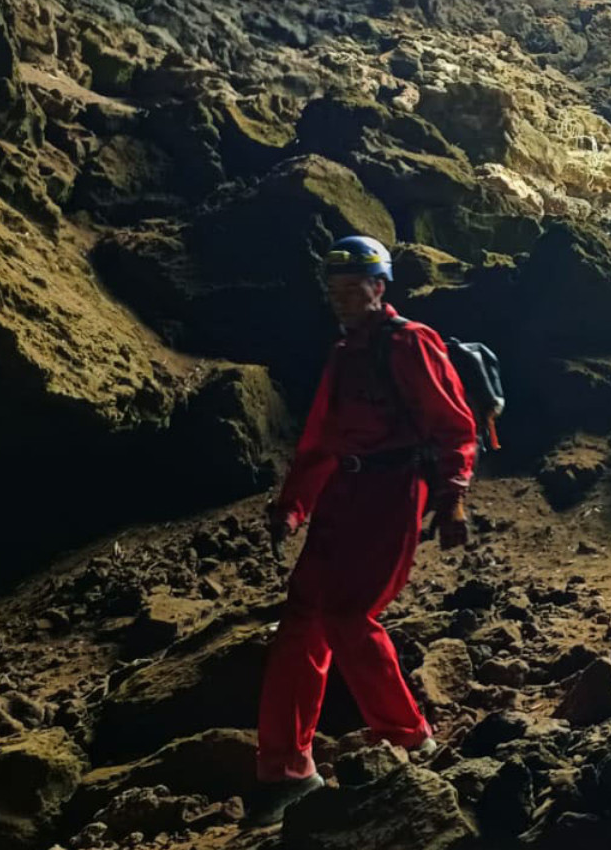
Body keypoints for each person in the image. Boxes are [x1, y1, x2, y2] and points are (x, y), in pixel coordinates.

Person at [247, 236, 479, 827]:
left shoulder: (411, 344)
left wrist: (452, 501)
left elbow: (455, 427)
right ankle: (284, 768)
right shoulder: (346, 352)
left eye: (354, 289)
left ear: (382, 286)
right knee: (301, 619)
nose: (344, 301)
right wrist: (293, 506)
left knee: (349, 614)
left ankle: (410, 740)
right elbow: (322, 439)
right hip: (344, 495)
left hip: (391, 492)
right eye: (335, 292)